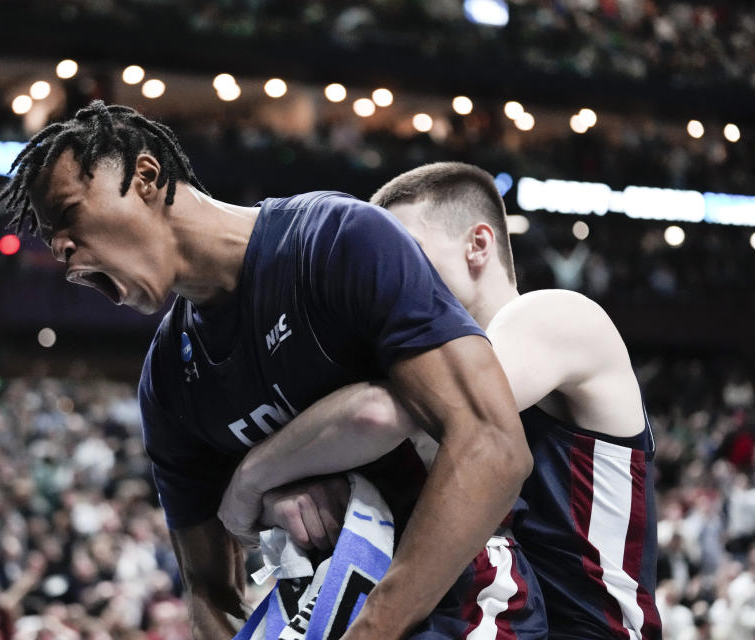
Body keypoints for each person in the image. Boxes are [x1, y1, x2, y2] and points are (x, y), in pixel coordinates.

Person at [0, 102, 535, 639]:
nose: (60, 248)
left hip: (461, 600)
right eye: (52, 238)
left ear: (144, 176)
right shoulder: (168, 383)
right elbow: (209, 592)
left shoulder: (336, 241)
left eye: (69, 213)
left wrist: (371, 627)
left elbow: (493, 444)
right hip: (326, 614)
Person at [219, 162, 662, 639]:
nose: (388, 276)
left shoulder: (554, 315)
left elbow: (387, 417)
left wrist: (250, 477)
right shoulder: (411, 366)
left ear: (478, 245)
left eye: (407, 253)